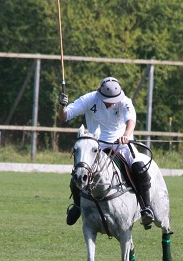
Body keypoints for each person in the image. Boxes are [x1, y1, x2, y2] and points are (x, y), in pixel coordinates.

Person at [57, 76, 154, 228]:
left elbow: (131, 121)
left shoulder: (125, 101)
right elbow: (65, 116)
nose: (111, 103)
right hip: (97, 146)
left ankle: (146, 208)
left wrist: (126, 136)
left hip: (121, 145)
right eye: (108, 100)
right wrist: (62, 106)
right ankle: (77, 205)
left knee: (140, 168)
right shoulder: (89, 99)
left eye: (114, 99)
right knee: (79, 171)